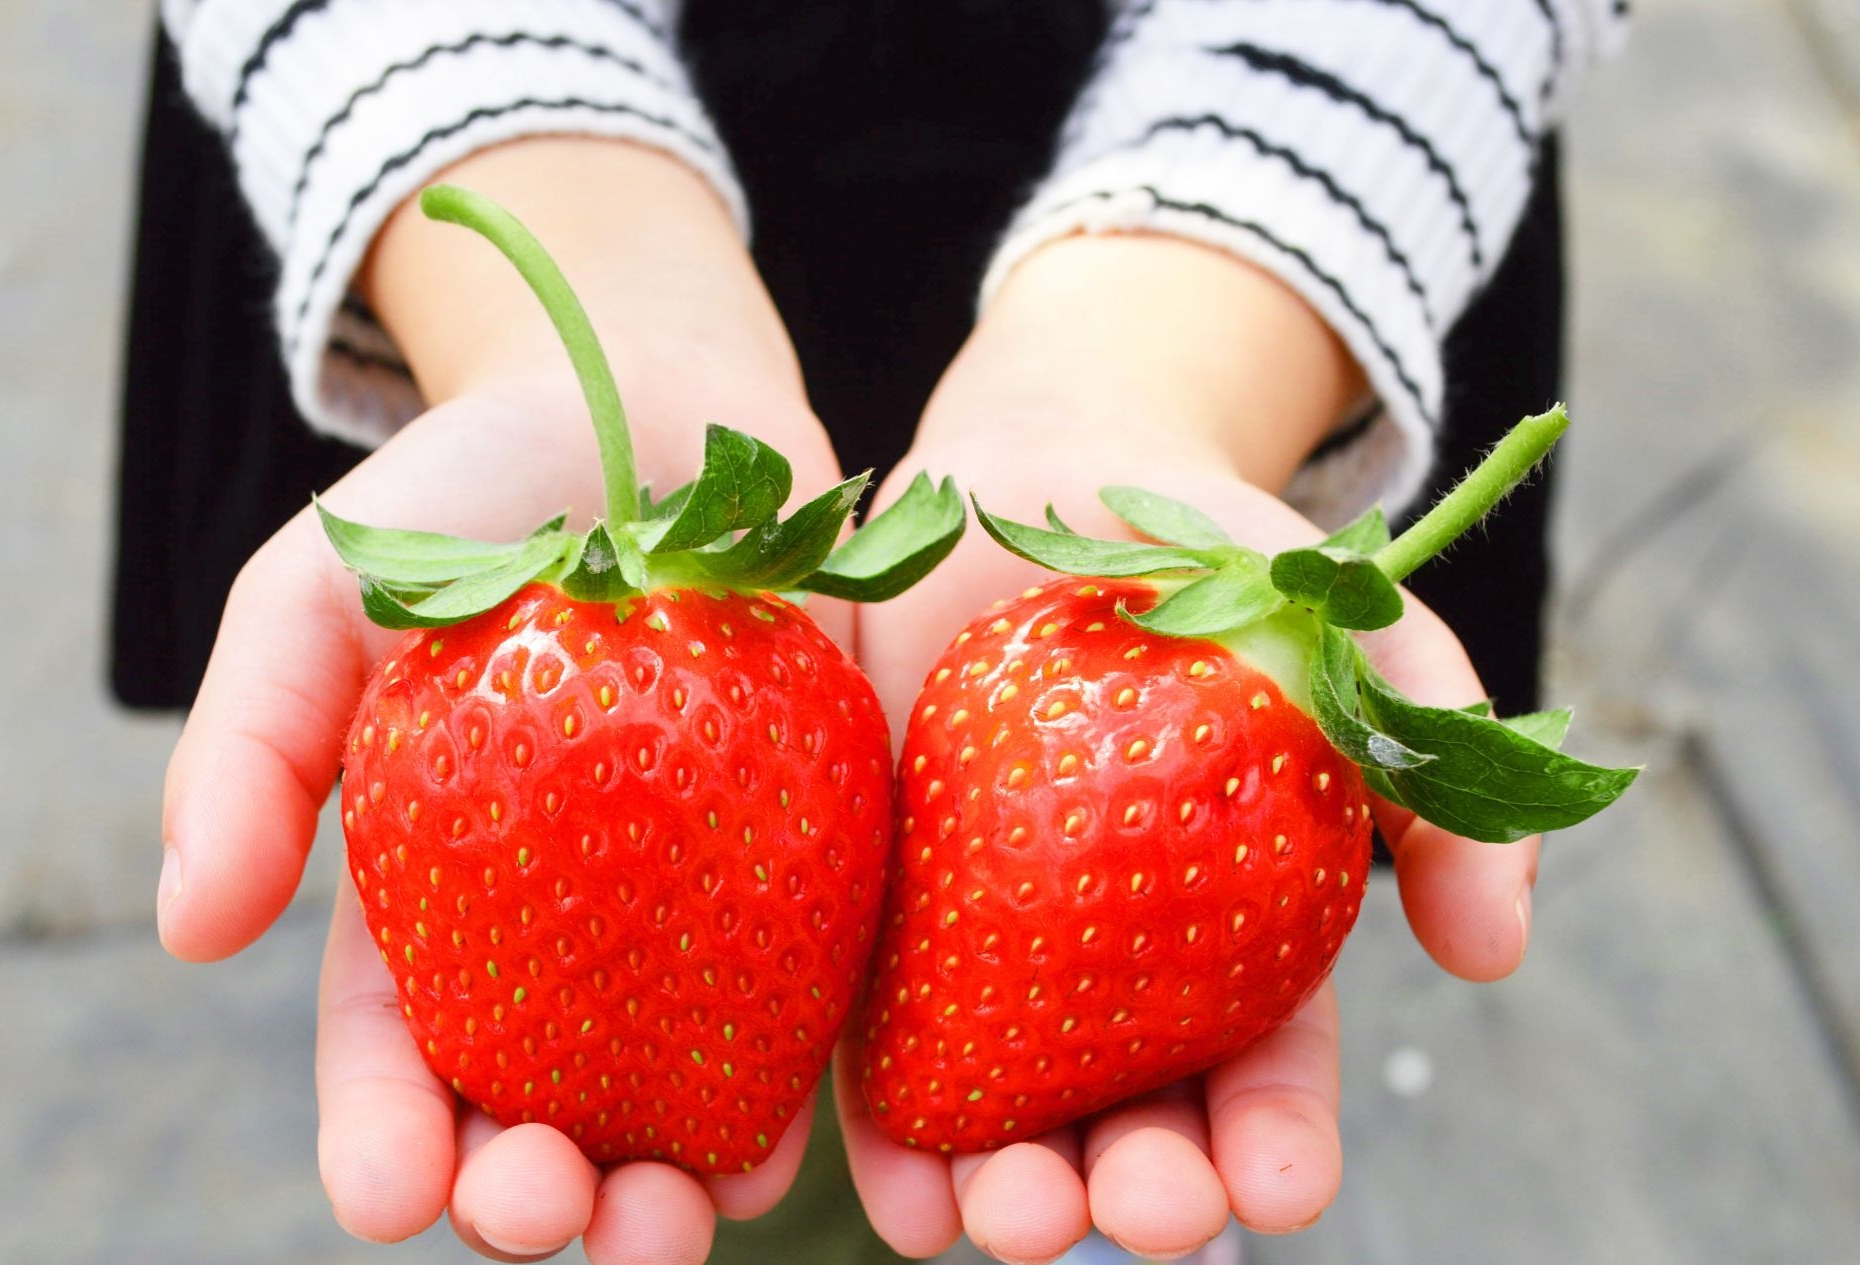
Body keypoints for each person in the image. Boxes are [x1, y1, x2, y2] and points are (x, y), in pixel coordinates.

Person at [123, 2, 1623, 1261]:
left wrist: (1191, 310)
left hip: (1242, 320)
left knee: (1065, 1172)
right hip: (496, 194)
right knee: (721, 1162)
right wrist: (529, 158)